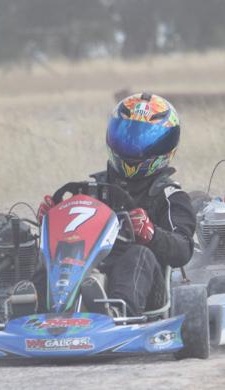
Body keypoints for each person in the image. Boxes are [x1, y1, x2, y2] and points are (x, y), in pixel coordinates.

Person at [36, 93, 195, 316]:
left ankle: (119, 312)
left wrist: (151, 234)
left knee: (139, 254)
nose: (133, 148)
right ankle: (32, 308)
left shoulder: (170, 196)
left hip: (145, 286)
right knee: (52, 253)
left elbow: (183, 249)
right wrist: (51, 222)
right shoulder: (92, 190)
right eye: (126, 136)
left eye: (143, 139)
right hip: (90, 268)